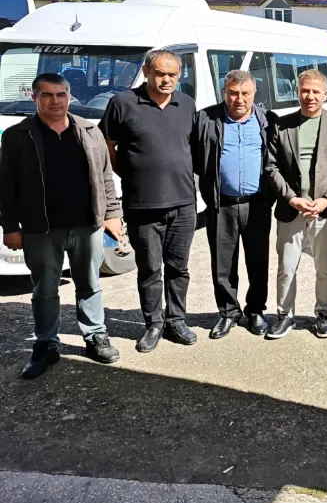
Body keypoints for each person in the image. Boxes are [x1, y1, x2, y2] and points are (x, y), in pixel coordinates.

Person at [0, 73, 122, 378]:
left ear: (69, 97)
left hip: (86, 226)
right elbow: (5, 186)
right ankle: (46, 344)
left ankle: (95, 335)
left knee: (90, 284)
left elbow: (105, 176)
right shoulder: (17, 136)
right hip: (40, 229)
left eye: (61, 95)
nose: (55, 101)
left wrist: (112, 213)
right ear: (35, 98)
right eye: (47, 95)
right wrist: (10, 227)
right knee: (45, 290)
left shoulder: (88, 130)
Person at [100, 50, 198, 353]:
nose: (166, 79)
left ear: (179, 75)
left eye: (172, 74)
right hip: (142, 204)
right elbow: (108, 146)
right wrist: (129, 173)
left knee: (178, 268)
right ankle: (153, 324)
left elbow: (190, 146)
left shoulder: (187, 103)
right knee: (149, 269)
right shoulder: (122, 104)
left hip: (183, 203)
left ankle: (176, 320)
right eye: (159, 73)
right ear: (146, 71)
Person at [263, 69, 327, 340]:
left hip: (325, 211)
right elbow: (271, 168)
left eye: (315, 91)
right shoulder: (282, 125)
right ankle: (284, 315)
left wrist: (326, 200)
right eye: (304, 90)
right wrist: (291, 198)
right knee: (286, 267)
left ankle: (322, 314)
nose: (309, 96)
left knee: (324, 268)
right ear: (297, 92)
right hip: (292, 210)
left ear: (325, 94)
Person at [193, 70, 276, 339]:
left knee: (258, 261)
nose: (239, 99)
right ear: (224, 93)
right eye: (233, 93)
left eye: (245, 93)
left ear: (254, 94)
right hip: (222, 205)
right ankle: (228, 312)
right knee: (223, 264)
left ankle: (255, 311)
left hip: (256, 204)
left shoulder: (267, 121)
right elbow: (192, 157)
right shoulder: (206, 119)